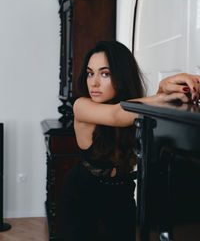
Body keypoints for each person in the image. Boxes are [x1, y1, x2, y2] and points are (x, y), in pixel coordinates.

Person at [61, 40, 200, 241]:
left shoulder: (137, 110)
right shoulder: (81, 106)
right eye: (91, 73)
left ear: (122, 76)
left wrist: (165, 93)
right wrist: (162, 93)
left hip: (121, 194)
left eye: (105, 73)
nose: (94, 82)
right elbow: (117, 114)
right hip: (82, 194)